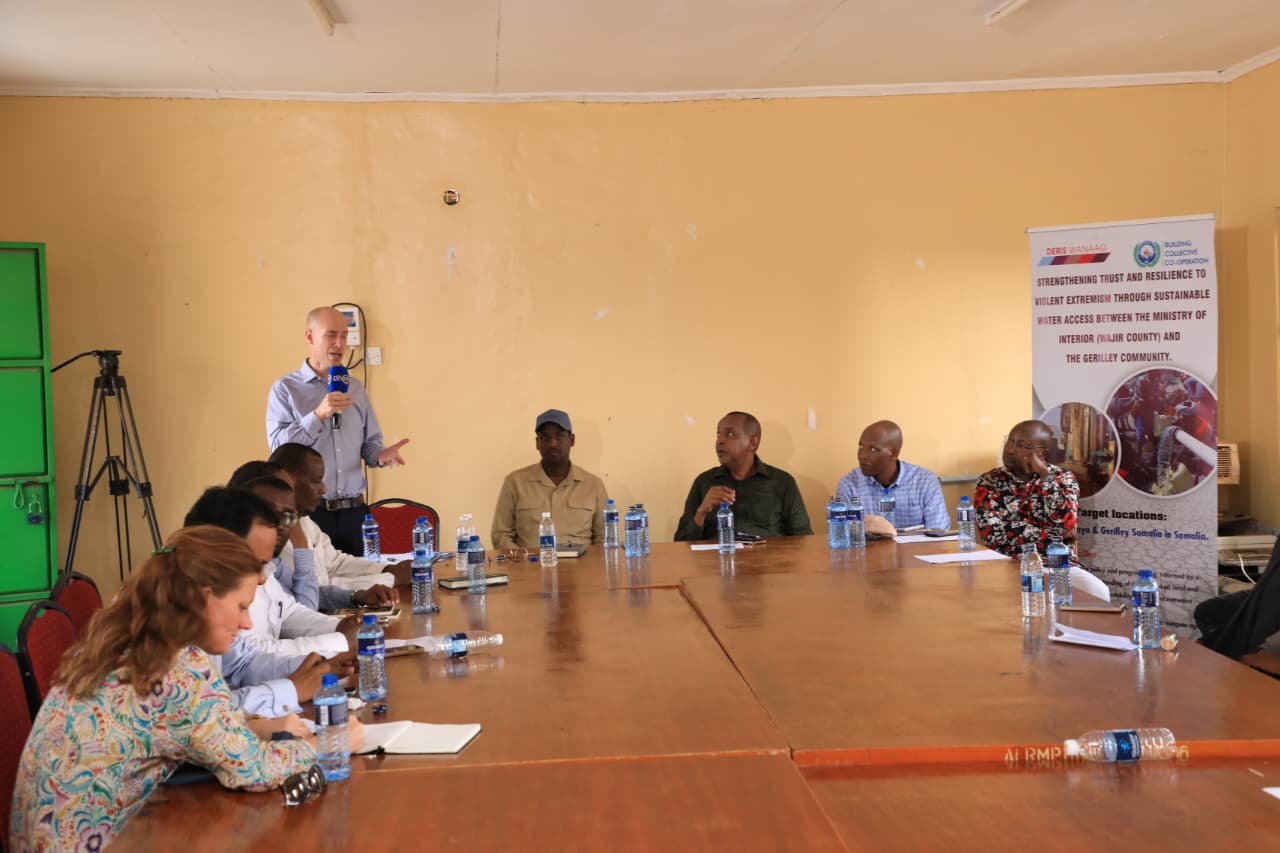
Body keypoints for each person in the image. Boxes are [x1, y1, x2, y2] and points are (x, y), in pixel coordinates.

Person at [8, 526, 321, 851]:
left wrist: (256, 727)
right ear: (205, 595)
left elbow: (181, 726)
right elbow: (253, 771)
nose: (247, 623)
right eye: (242, 606)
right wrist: (324, 745)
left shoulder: (124, 640)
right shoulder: (176, 668)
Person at [182, 487, 354, 719]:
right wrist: (293, 689)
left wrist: (318, 670)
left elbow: (244, 662)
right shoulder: (163, 623)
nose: (264, 578)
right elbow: (205, 717)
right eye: (257, 563)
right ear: (217, 554)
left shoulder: (205, 596)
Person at [266, 306, 410, 554]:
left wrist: (380, 455)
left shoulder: (355, 388)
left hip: (355, 513)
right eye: (331, 335)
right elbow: (279, 450)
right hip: (311, 513)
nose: (339, 343)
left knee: (366, 586)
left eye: (344, 336)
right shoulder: (285, 390)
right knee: (319, 588)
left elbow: (370, 443)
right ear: (310, 336)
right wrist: (319, 414)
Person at [270, 442, 405, 591]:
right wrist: (390, 578)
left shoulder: (304, 520)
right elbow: (317, 589)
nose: (323, 488)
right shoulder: (276, 530)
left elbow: (335, 563)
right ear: (288, 480)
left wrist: (388, 568)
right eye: (316, 481)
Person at [675, 411, 812, 541]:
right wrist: (701, 512)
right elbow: (680, 542)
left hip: (767, 563)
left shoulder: (782, 482)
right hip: (717, 562)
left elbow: (803, 537)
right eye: (718, 434)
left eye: (729, 434)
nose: (720, 441)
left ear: (752, 443)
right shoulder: (704, 482)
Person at [491, 409, 610, 550]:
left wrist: (588, 565)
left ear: (572, 440)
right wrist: (523, 563)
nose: (552, 443)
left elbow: (605, 537)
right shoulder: (515, 482)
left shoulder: (593, 485)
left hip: (581, 568)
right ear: (537, 443)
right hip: (530, 568)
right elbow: (500, 535)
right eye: (545, 437)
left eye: (559, 436)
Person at [974, 419, 1080, 557]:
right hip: (1007, 563)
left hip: (1057, 562)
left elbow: (1064, 524)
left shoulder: (1063, 478)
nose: (1011, 449)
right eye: (1010, 441)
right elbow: (990, 533)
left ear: (1041, 453)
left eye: (1021, 445)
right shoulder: (989, 480)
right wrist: (1051, 534)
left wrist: (1045, 476)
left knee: (1089, 580)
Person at [835, 420, 949, 531]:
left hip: (916, 550)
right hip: (869, 550)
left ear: (893, 454)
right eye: (861, 446)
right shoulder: (849, 485)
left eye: (873, 449)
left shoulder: (925, 481)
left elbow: (938, 530)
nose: (863, 455)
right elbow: (842, 534)